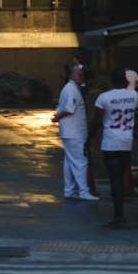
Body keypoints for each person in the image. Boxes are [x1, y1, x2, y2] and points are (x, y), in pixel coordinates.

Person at [91, 67, 138, 226]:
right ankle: (120, 213)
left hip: (111, 142)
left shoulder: (103, 97)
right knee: (121, 176)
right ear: (125, 81)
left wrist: (88, 140)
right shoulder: (134, 96)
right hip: (126, 142)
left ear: (112, 80)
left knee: (115, 179)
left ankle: (119, 214)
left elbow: (97, 121)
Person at [52, 63, 97, 202]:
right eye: (79, 74)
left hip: (70, 131)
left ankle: (69, 190)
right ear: (72, 74)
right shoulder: (71, 89)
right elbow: (69, 109)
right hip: (74, 131)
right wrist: (58, 116)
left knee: (70, 161)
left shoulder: (70, 88)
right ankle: (83, 191)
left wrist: (58, 116)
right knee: (80, 161)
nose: (81, 77)